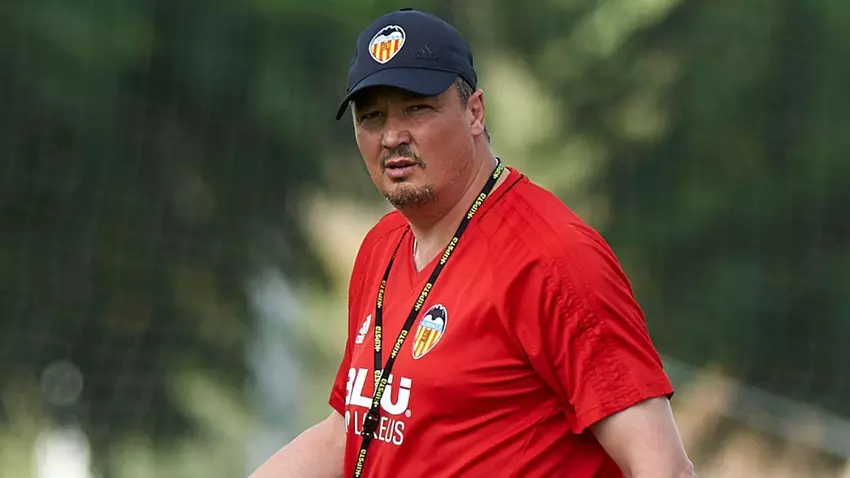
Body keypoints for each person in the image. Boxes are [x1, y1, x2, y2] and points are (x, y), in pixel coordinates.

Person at [251, 7, 695, 478]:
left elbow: (663, 466)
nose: (392, 136)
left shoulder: (553, 257)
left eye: (417, 108)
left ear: (474, 112)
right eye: (372, 116)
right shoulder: (381, 247)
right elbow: (352, 430)